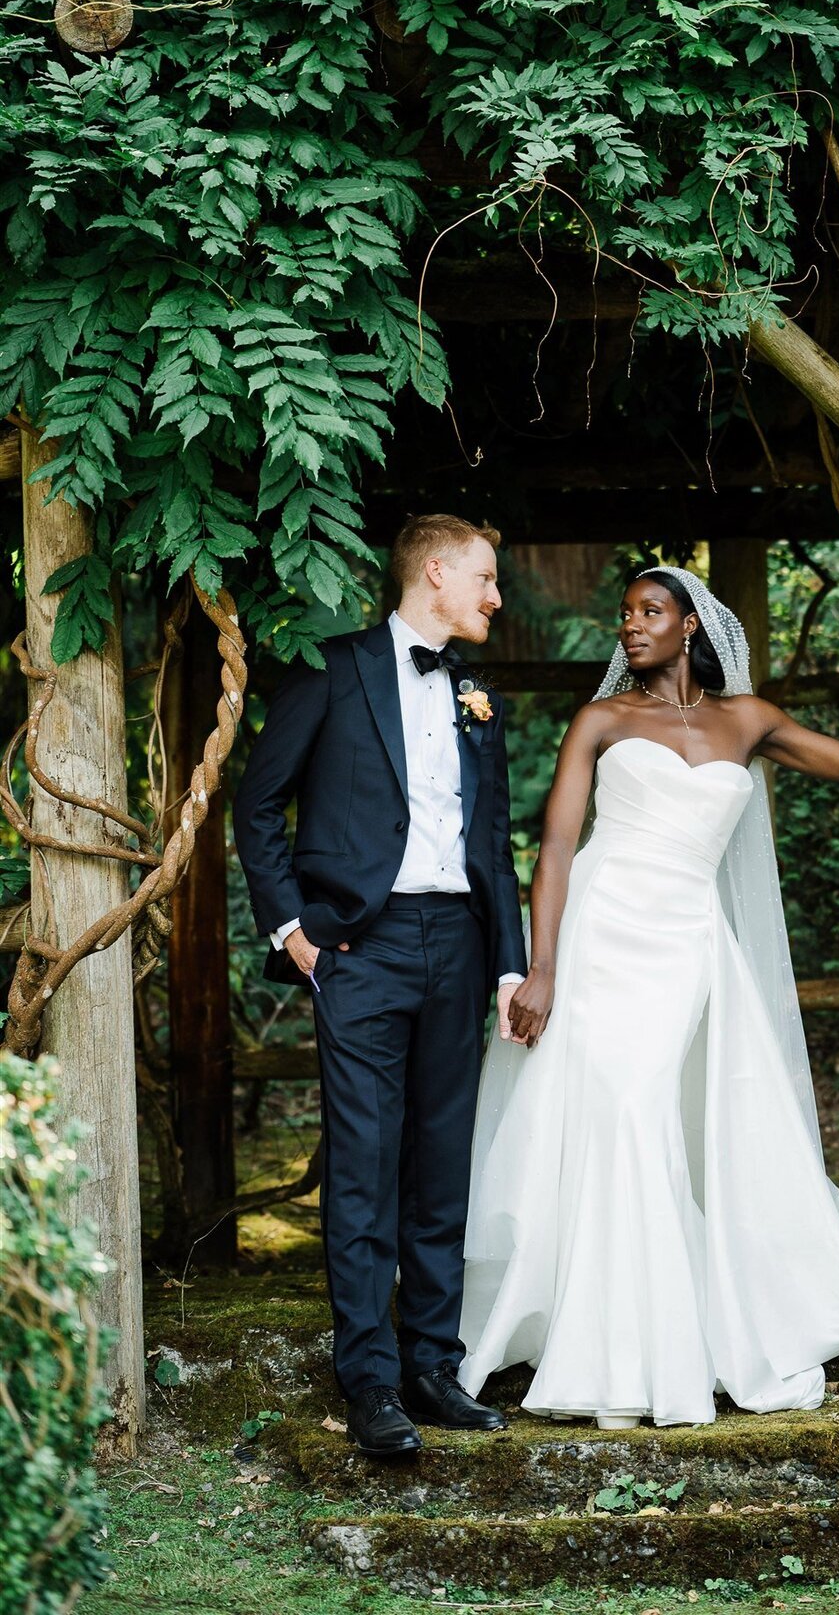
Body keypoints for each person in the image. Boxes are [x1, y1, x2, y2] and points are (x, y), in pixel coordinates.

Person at [459, 562, 839, 1429]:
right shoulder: (602, 719)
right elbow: (555, 848)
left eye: (649, 611)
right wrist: (542, 967)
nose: (630, 625)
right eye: (625, 613)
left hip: (686, 943)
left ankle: (655, 1339)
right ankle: (617, 1346)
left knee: (652, 1110)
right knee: (620, 1112)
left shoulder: (747, 719)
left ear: (691, 625)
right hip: (601, 933)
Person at [233, 515, 526, 1458]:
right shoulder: (331, 668)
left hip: (461, 946)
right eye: (483, 579)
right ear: (435, 573)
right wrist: (294, 932)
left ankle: (432, 1368)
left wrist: (510, 962)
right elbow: (257, 802)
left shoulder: (478, 693)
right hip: (360, 946)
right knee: (363, 1163)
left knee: (442, 1163)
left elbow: (493, 841)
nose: (495, 597)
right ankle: (369, 1381)